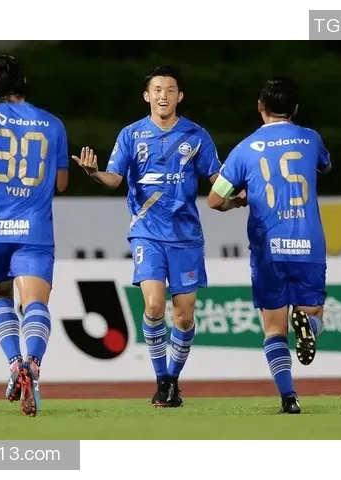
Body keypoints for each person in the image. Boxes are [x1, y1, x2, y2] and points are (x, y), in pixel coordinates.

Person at [72, 65, 245, 408]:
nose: (163, 95)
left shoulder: (196, 135)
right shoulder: (131, 135)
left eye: (169, 90)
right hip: (147, 233)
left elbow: (217, 179)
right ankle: (162, 379)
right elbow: (114, 179)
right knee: (153, 305)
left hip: (186, 236)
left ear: (179, 96)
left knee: (184, 315)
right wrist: (94, 173)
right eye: (157, 90)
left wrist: (239, 194)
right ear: (146, 96)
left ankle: (173, 379)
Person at [207, 77, 332, 414]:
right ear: (295, 108)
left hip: (269, 248)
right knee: (314, 314)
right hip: (308, 243)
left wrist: (238, 201)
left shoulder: (245, 148)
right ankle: (309, 328)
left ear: (260, 107)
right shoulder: (311, 138)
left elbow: (215, 200)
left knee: (274, 329)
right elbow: (324, 165)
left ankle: (289, 399)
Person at [0, 54, 69, 417]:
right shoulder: (53, 124)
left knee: (0, 295)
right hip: (34, 227)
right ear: (23, 85)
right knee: (35, 303)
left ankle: (13, 363)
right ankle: (33, 363)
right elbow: (61, 183)